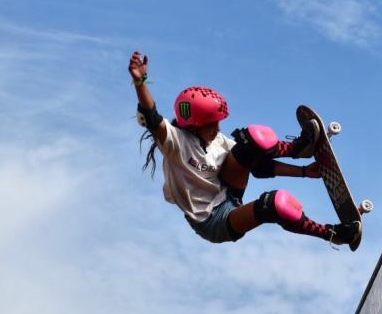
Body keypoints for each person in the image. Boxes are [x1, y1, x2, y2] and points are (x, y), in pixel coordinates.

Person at [128, 51, 360, 247]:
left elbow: (259, 166)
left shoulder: (219, 141)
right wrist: (140, 82)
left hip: (227, 189)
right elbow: (152, 117)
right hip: (213, 221)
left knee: (252, 140)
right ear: (195, 125)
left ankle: (299, 148)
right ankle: (334, 234)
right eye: (211, 124)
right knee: (275, 204)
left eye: (219, 122)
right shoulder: (175, 143)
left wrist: (303, 172)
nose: (218, 128)